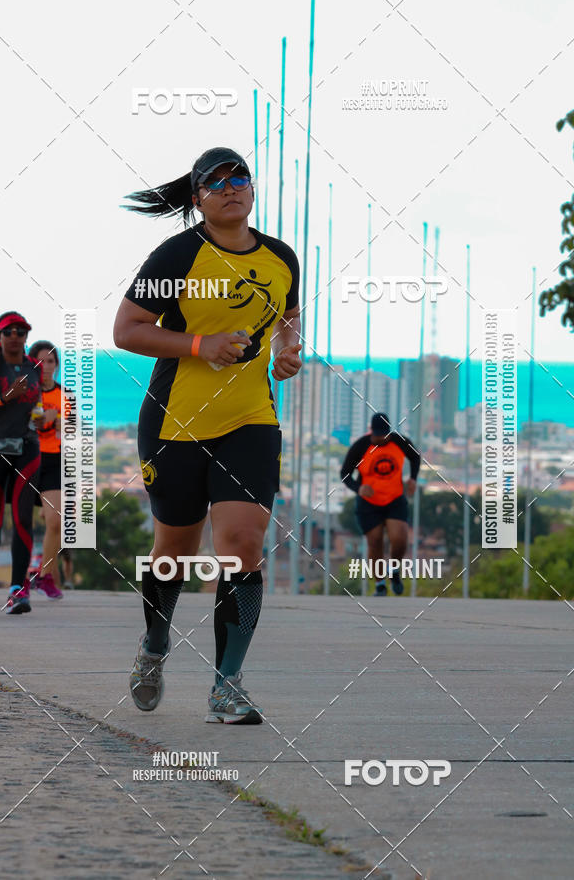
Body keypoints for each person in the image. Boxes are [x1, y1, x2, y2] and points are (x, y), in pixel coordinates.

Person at [114, 146, 302, 724]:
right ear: (197, 198)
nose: (230, 187)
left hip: (251, 420)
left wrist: (287, 349)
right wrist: (201, 345)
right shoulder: (176, 255)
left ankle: (228, 686)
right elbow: (126, 330)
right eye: (215, 182)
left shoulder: (281, 257)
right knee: (173, 551)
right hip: (177, 421)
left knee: (243, 547)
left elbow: (287, 316)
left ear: (251, 188)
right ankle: (152, 648)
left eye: (238, 176)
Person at [0, 312, 42, 615]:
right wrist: (4, 397)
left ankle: (19, 591)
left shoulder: (33, 367)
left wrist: (47, 419)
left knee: (23, 520)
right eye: (9, 331)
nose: (15, 335)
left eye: (21, 331)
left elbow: (43, 403)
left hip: (28, 449)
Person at [341, 412, 420, 596]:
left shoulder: (400, 442)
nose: (380, 438)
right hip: (369, 503)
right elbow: (345, 473)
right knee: (375, 541)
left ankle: (394, 571)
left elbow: (415, 457)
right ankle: (380, 584)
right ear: (371, 431)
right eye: (377, 434)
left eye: (383, 434)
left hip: (394, 499)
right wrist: (358, 488)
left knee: (399, 539)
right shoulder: (361, 446)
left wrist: (413, 479)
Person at [27, 340, 63, 599]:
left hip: (52, 461)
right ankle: (18, 578)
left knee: (56, 520)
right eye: (40, 361)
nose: (46, 366)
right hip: (24, 459)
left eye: (50, 361)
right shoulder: (24, 393)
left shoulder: (65, 395)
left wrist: (60, 420)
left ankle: (45, 575)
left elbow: (71, 431)